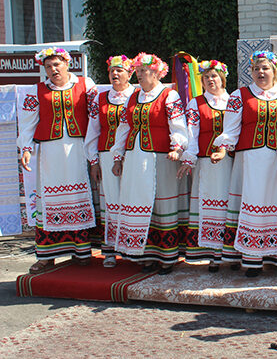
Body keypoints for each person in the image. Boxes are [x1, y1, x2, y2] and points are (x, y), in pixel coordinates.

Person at [211, 51, 277, 277]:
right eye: (256, 68)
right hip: (249, 161)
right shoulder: (239, 96)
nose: (261, 72)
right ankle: (252, 259)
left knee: (276, 204)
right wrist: (222, 149)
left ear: (275, 71)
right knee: (251, 203)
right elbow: (231, 129)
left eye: (265, 68)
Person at [18, 47, 98, 273]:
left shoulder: (85, 85)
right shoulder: (36, 91)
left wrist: (94, 153)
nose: (53, 70)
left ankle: (81, 250)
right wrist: (26, 149)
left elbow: (95, 119)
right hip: (49, 153)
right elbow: (28, 122)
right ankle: (46, 255)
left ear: (67, 63)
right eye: (48, 66)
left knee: (76, 198)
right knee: (49, 200)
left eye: (56, 64)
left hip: (77, 150)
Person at [110, 53, 189, 275]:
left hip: (161, 158)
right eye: (137, 71)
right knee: (139, 202)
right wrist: (118, 156)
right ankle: (144, 255)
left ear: (156, 73)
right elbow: (124, 128)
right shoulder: (132, 97)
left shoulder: (169, 95)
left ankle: (166, 256)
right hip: (135, 159)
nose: (139, 75)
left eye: (143, 71)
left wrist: (177, 147)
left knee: (162, 204)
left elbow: (178, 124)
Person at [177, 60, 231, 272]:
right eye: (206, 77)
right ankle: (213, 254)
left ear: (222, 78)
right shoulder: (196, 103)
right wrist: (189, 158)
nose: (210, 80)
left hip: (230, 160)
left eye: (214, 76)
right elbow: (192, 133)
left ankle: (230, 253)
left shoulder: (233, 100)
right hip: (206, 162)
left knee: (229, 204)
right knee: (210, 204)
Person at [85, 55, 135, 268]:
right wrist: (93, 161)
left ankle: (133, 247)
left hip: (133, 153)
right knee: (111, 200)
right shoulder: (100, 99)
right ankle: (110, 250)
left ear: (130, 74)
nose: (115, 74)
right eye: (112, 71)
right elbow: (93, 130)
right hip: (106, 154)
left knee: (132, 198)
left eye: (119, 70)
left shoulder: (138, 95)